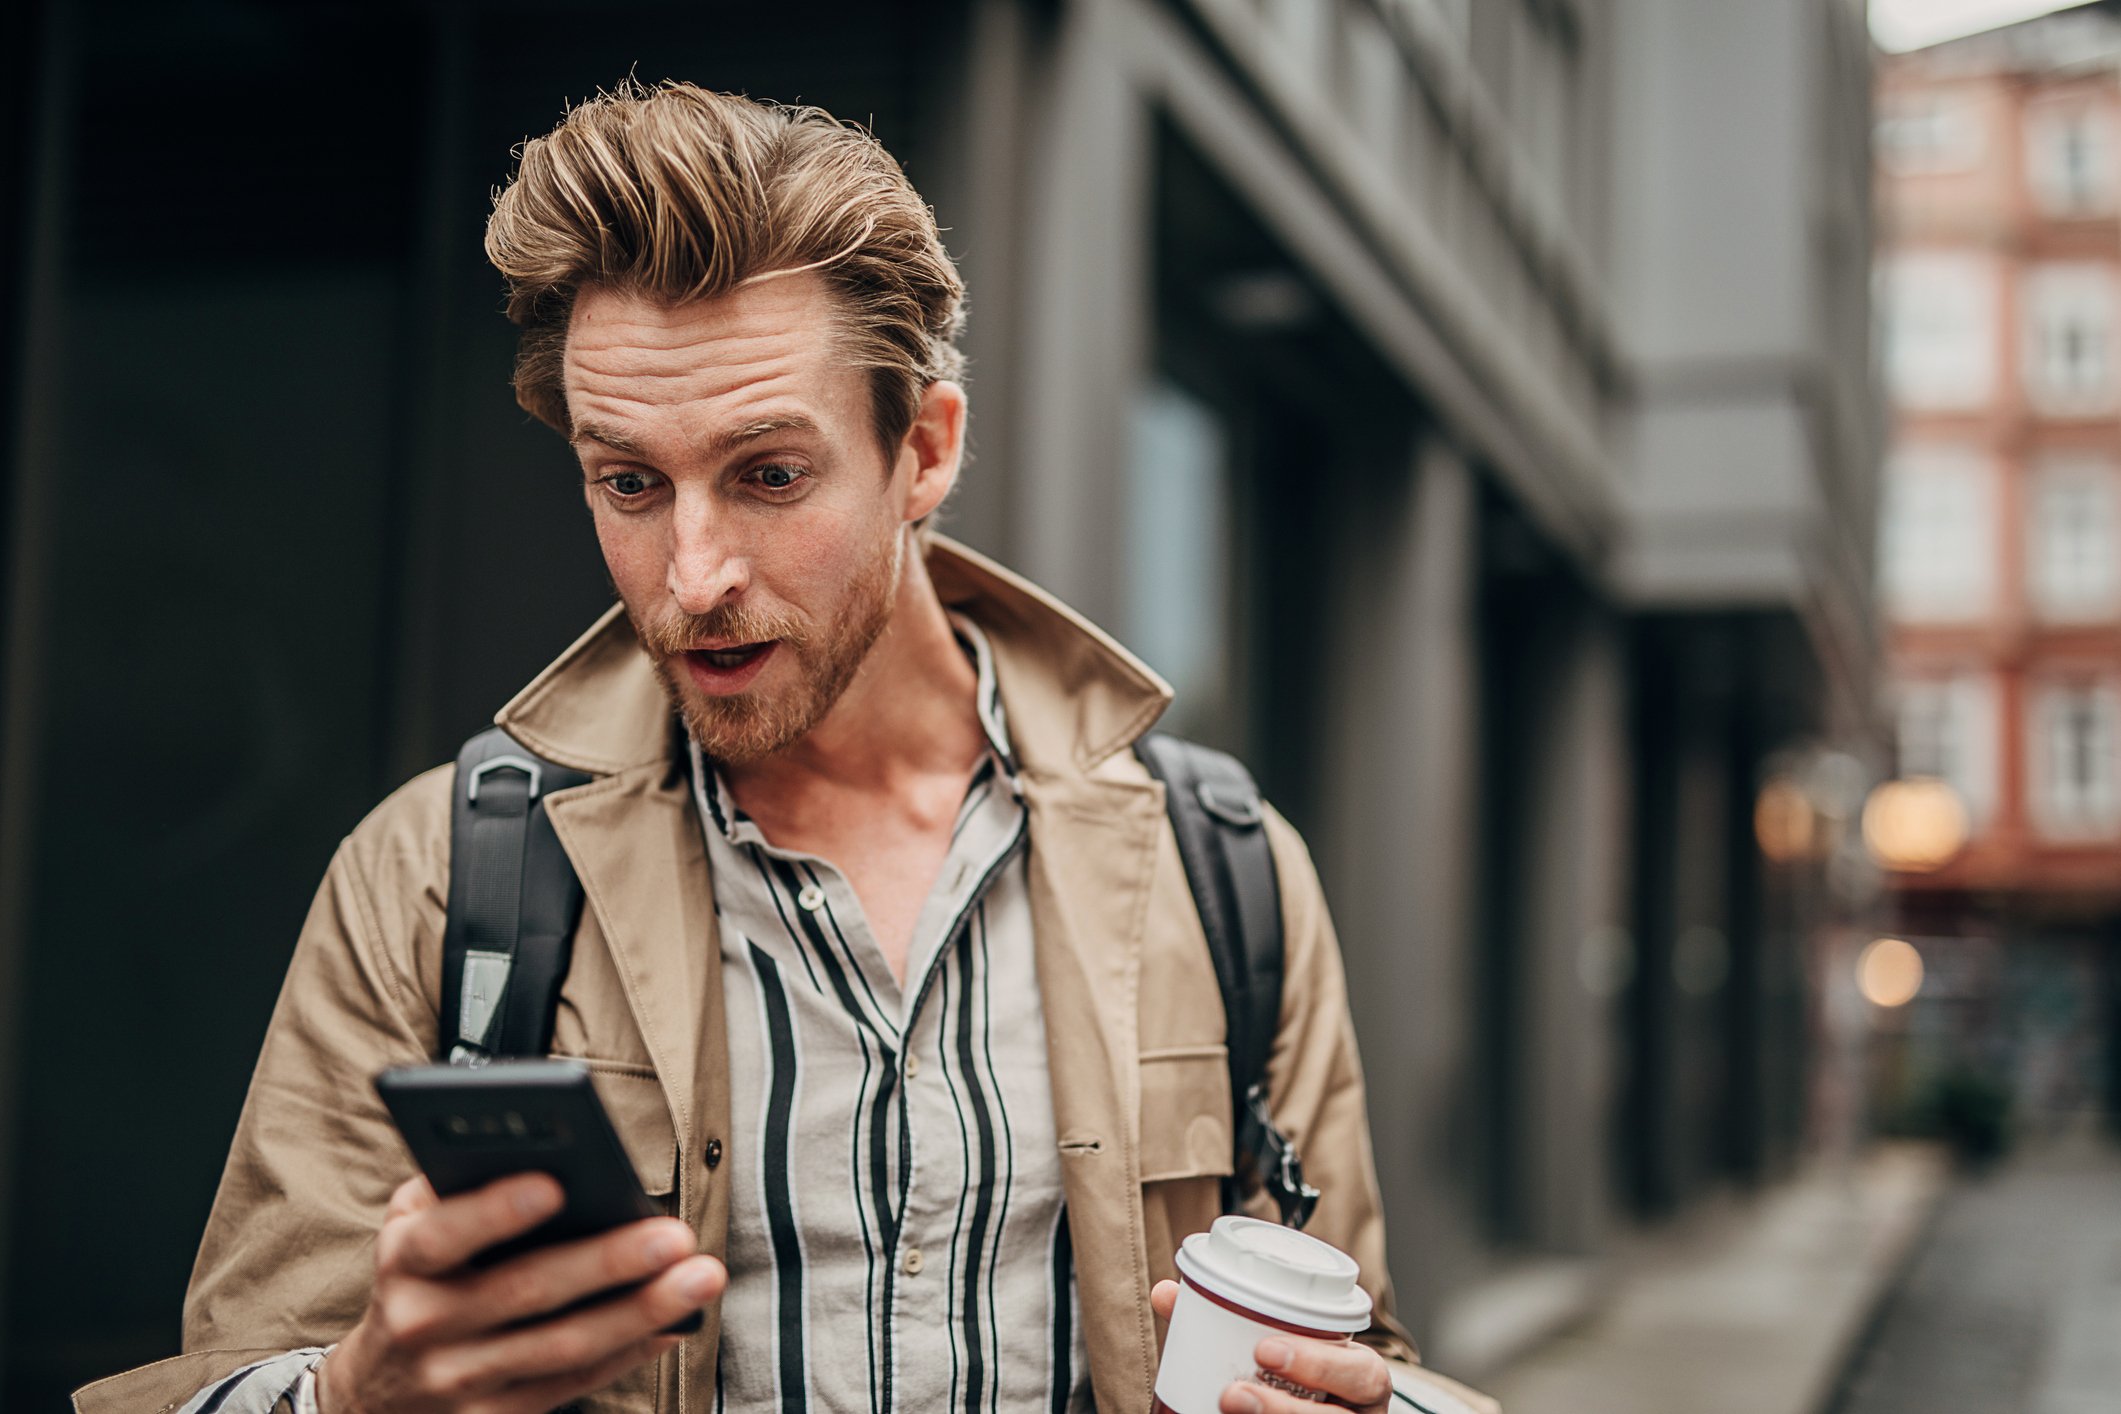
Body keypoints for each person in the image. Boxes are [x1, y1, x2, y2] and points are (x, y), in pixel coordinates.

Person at [73, 82, 1497, 1414]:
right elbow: (241, 1366)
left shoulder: (1223, 868)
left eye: (768, 474)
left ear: (924, 450)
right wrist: (357, 1389)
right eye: (628, 481)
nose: (691, 573)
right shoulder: (436, 875)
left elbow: (1355, 1355)